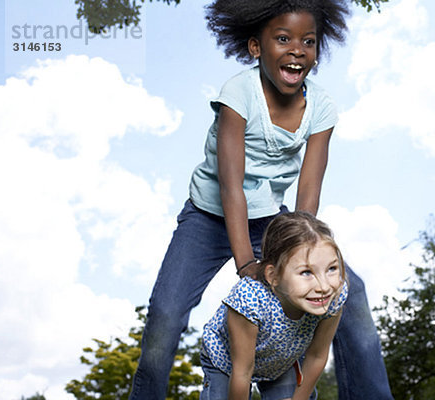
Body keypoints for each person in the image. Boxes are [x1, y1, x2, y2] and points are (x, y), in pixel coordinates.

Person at [129, 0, 393, 399]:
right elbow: (230, 186)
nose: (297, 49)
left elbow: (309, 188)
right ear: (256, 48)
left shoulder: (321, 107)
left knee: (348, 292)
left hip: (271, 219)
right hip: (208, 216)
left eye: (308, 41)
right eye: (283, 39)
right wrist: (246, 263)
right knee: (166, 313)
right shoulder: (239, 93)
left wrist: (304, 255)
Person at [201, 211, 348, 399]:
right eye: (306, 272)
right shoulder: (249, 301)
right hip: (228, 362)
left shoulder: (333, 296)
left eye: (332, 269)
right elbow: (242, 372)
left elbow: (317, 356)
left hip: (280, 360)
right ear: (273, 276)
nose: (324, 286)